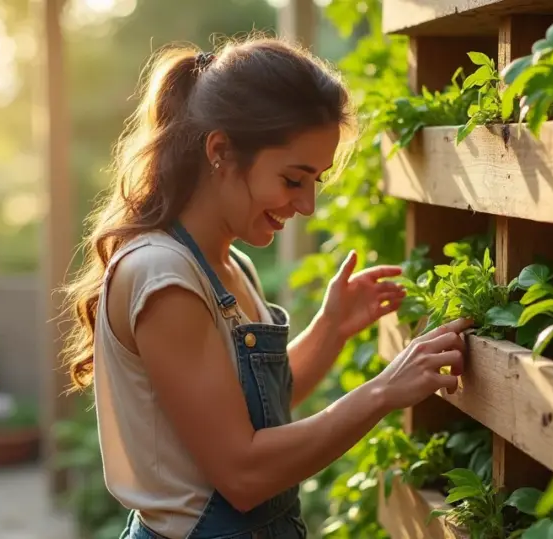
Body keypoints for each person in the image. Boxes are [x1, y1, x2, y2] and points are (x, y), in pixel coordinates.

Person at [61, 36, 471, 539]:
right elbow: (243, 473)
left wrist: (330, 329)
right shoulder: (162, 276)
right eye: (293, 179)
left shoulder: (230, 265)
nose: (307, 205)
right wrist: (384, 390)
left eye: (316, 181)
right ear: (220, 151)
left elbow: (256, 408)